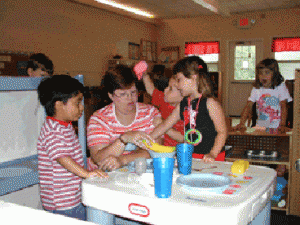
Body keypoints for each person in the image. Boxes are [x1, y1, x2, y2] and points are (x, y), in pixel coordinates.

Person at [37, 75, 107, 221]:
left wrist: (90, 166)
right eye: (77, 103)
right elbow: (63, 158)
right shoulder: (52, 130)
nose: (82, 107)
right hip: (62, 201)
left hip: (72, 196)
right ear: (58, 105)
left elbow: (72, 156)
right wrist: (86, 174)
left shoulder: (66, 126)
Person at [143, 56, 227, 163]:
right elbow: (164, 126)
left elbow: (222, 132)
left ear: (193, 78)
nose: (177, 85)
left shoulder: (210, 103)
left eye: (179, 80)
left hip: (212, 157)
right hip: (191, 154)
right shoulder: (183, 104)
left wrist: (213, 153)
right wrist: (147, 140)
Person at [87, 64, 162, 172]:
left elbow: (156, 150)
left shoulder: (150, 113)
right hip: (105, 177)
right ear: (111, 95)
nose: (130, 98)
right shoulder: (99, 119)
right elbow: (98, 159)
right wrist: (124, 139)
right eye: (122, 94)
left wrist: (122, 160)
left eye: (133, 92)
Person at [233, 58, 292, 133]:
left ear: (275, 74)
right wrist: (242, 123)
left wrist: (283, 125)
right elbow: (248, 106)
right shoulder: (256, 88)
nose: (263, 76)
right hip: (261, 125)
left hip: (277, 126)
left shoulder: (280, 87)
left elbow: (284, 106)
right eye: (260, 73)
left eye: (267, 72)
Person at [142, 68, 184, 146]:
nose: (165, 89)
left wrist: (164, 127)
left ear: (183, 95)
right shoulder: (164, 101)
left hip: (178, 151)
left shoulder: (186, 112)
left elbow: (183, 138)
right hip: (161, 147)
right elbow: (151, 90)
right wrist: (144, 74)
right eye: (168, 86)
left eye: (170, 89)